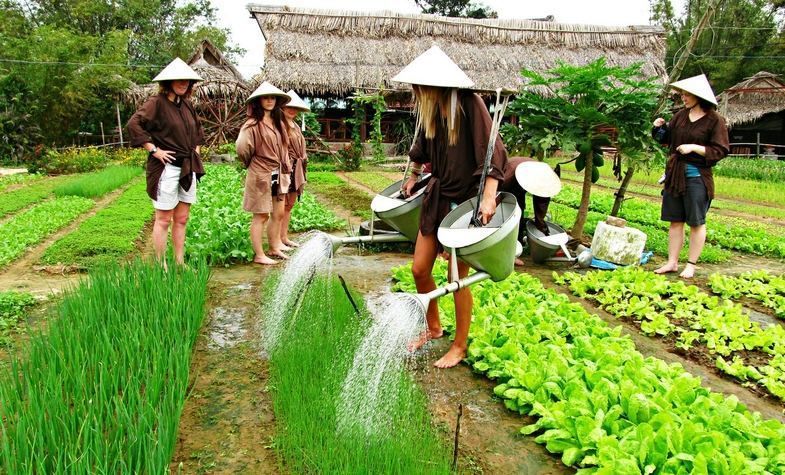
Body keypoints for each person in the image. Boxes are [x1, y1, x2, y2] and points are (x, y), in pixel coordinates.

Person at [396, 45, 507, 369]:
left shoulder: (469, 105)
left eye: (420, 87)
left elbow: (492, 152)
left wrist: (488, 197)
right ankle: (433, 326)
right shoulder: (431, 113)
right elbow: (421, 151)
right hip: (438, 195)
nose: (416, 93)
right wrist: (414, 175)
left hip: (465, 201)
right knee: (419, 269)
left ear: (436, 85)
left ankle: (459, 345)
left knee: (456, 275)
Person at [127, 57, 205, 268]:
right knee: (163, 219)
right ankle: (161, 264)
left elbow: (198, 133)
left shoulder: (187, 105)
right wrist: (154, 150)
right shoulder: (156, 104)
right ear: (168, 82)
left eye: (187, 80)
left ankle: (179, 261)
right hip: (166, 168)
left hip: (187, 167)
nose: (183, 83)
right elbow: (134, 124)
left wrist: (195, 153)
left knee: (181, 218)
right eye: (178, 80)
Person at [652, 74, 729, 278]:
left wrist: (695, 147)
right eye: (683, 94)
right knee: (675, 220)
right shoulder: (680, 116)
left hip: (697, 177)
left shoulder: (715, 120)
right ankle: (672, 262)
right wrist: (659, 128)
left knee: (696, 222)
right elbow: (667, 139)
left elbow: (720, 150)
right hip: (675, 175)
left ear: (698, 96)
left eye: (687, 94)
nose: (683, 98)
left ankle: (691, 264)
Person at [236, 81, 292, 265]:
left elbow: (284, 147)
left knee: (278, 212)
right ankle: (259, 254)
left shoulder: (279, 123)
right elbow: (242, 148)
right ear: (259, 101)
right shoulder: (252, 124)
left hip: (279, 172)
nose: (269, 101)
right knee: (261, 215)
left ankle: (274, 247)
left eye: (273, 97)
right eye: (266, 98)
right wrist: (254, 163)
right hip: (261, 172)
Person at [502, 157, 561, 266]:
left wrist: (540, 224)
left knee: (518, 215)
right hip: (507, 183)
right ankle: (505, 253)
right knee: (506, 216)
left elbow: (542, 200)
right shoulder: (508, 177)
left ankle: (515, 249)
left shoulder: (544, 177)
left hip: (520, 182)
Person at [280, 90, 311, 248]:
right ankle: (278, 239)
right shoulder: (279, 125)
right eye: (288, 107)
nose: (291, 110)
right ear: (282, 108)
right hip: (286, 167)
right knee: (281, 204)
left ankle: (284, 237)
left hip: (297, 167)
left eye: (294, 107)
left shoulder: (296, 126)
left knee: (290, 203)